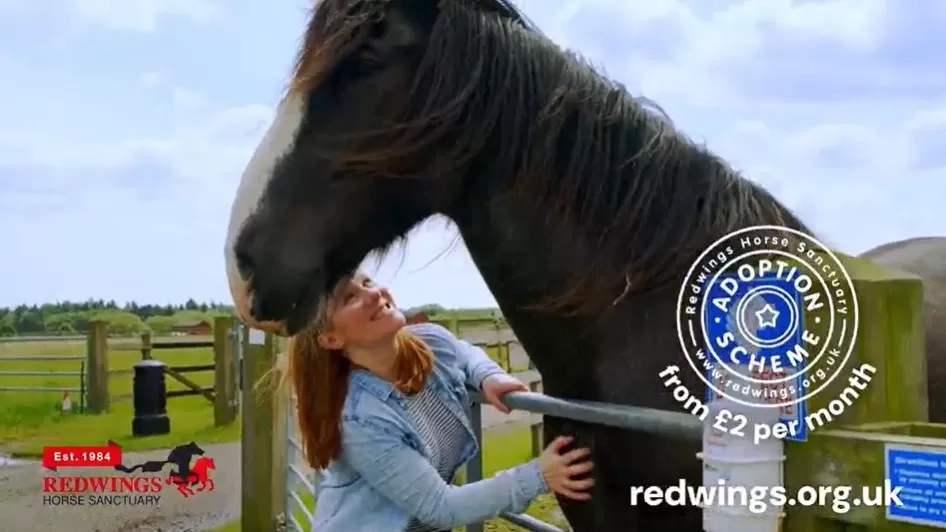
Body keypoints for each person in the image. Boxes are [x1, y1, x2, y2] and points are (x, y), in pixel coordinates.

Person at [286, 271, 594, 532]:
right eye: (349, 298)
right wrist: (539, 475)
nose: (374, 294)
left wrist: (488, 375)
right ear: (331, 340)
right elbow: (441, 506)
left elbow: (463, 352)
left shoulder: (430, 341)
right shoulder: (360, 418)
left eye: (367, 282)